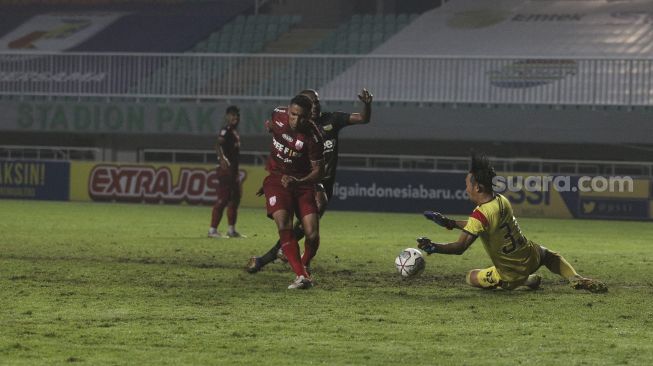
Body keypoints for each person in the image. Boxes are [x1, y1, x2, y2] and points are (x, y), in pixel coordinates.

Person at [416, 153, 608, 293]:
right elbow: (483, 226)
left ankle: (522, 281)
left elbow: (459, 247)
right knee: (549, 255)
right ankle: (574, 278)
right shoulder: (501, 201)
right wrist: (449, 222)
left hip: (509, 273)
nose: (466, 189)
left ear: (477, 186)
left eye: (467, 184)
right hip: (530, 256)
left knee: (471, 276)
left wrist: (433, 247)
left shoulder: (480, 215)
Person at [247, 88, 373, 274]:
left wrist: (367, 105)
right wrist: (274, 179)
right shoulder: (293, 124)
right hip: (307, 179)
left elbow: (363, 118)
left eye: (316, 101)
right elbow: (282, 153)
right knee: (313, 210)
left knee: (309, 231)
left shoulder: (331, 120)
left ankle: (272, 259)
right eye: (309, 102)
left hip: (321, 179)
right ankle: (296, 264)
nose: (314, 105)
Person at [261, 94, 324, 289]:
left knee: (312, 234)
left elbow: (319, 172)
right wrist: (271, 128)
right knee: (283, 223)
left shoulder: (314, 137)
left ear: (309, 117)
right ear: (288, 111)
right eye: (293, 114)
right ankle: (301, 276)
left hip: (302, 183)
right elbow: (273, 125)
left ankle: (303, 264)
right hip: (277, 179)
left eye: (302, 117)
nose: (296, 120)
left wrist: (299, 181)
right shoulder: (278, 115)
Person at [208, 105, 243, 238]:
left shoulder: (234, 131)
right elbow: (218, 144)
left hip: (233, 171)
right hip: (226, 171)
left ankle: (231, 230)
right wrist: (222, 159)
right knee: (223, 199)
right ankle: (212, 230)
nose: (235, 118)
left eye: (237, 115)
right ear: (227, 117)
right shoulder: (226, 130)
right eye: (233, 115)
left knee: (235, 198)